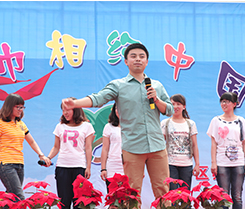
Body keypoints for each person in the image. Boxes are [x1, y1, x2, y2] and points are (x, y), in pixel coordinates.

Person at [62, 43, 173, 200]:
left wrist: (157, 99)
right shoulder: (118, 85)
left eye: (141, 56)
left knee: (163, 190)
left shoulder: (156, 85)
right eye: (133, 56)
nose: (138, 59)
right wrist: (75, 103)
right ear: (126, 61)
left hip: (157, 146)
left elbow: (169, 110)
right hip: (133, 147)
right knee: (132, 192)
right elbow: (98, 98)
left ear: (147, 61)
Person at [0, 94, 52, 201]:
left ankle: (3, 208)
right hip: (6, 165)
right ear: (9, 106)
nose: (20, 110)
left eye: (22, 107)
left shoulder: (21, 124)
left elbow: (31, 141)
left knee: (11, 198)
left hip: (19, 164)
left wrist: (41, 155)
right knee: (19, 198)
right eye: (17, 107)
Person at [45, 100, 95, 209]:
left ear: (76, 109)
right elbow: (56, 147)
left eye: (68, 110)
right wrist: (48, 158)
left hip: (79, 166)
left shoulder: (87, 126)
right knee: (64, 203)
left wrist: (88, 167)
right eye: (63, 110)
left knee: (79, 203)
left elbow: (88, 148)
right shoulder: (60, 126)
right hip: (62, 166)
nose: (65, 113)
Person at [207, 92, 245, 209]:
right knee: (223, 197)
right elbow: (213, 143)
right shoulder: (216, 120)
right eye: (222, 101)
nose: (224, 104)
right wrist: (213, 163)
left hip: (238, 162)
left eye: (227, 101)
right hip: (222, 162)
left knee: (237, 197)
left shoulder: (241, 121)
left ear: (234, 104)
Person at [161, 94, 199, 190]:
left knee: (185, 193)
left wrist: (197, 164)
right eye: (173, 104)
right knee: (172, 193)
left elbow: (194, 145)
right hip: (170, 164)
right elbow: (161, 144)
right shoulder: (165, 123)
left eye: (178, 104)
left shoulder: (190, 124)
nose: (175, 107)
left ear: (184, 106)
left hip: (186, 164)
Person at [100, 105, 123, 190]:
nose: (118, 110)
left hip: (129, 166)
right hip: (113, 166)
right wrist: (103, 169)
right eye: (116, 108)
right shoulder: (109, 127)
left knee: (128, 196)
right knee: (113, 195)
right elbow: (105, 149)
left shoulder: (132, 127)